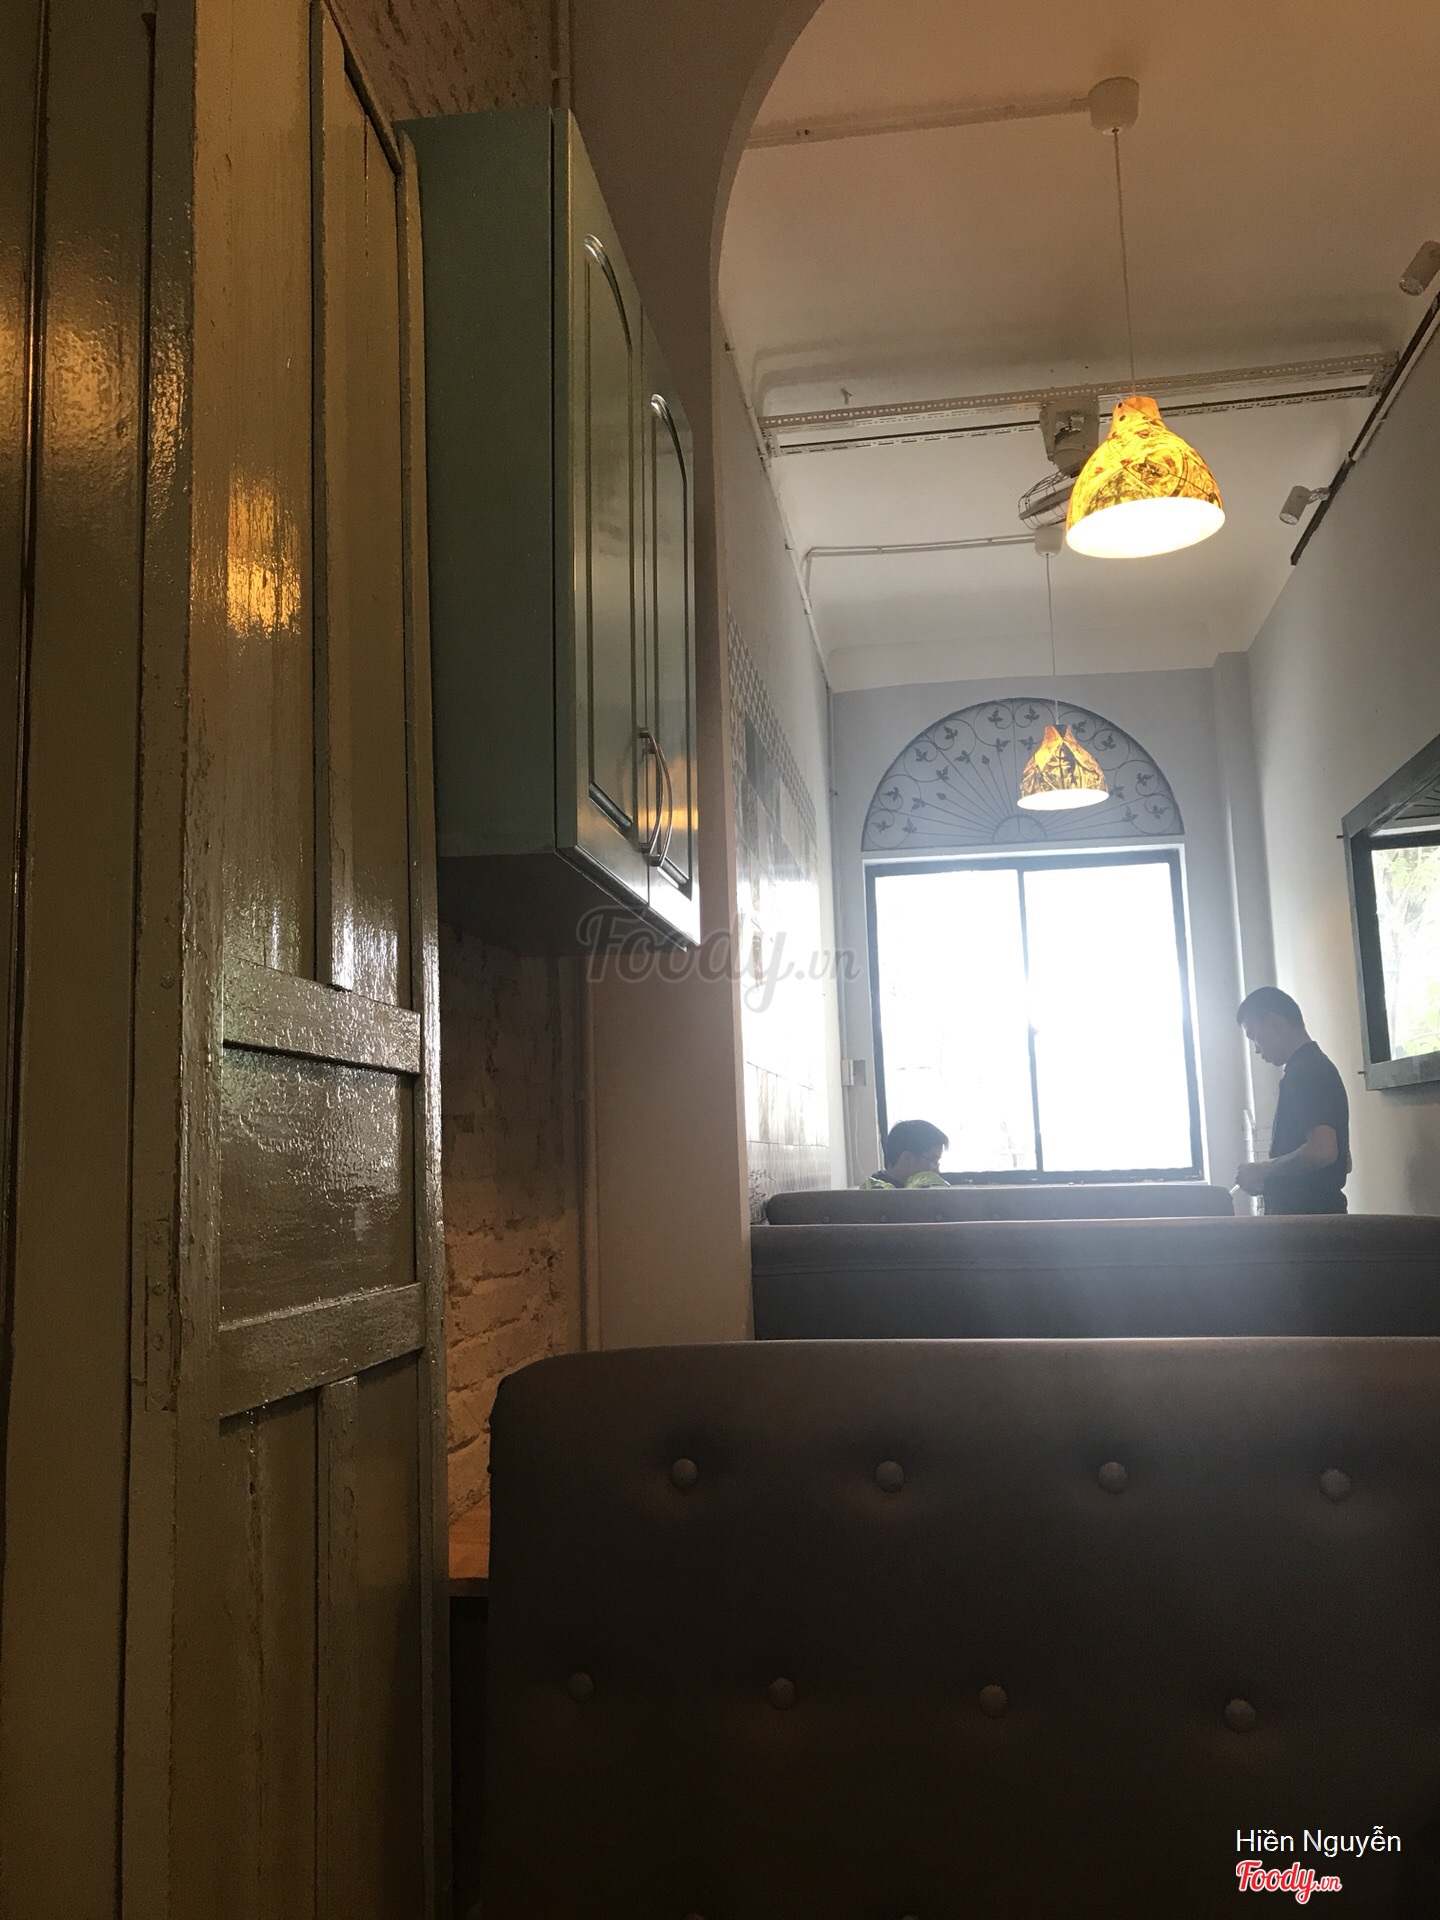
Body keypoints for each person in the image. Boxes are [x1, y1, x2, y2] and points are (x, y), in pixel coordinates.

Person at [1234, 987, 1350, 1214]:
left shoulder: (1305, 1072)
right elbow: (1344, 1161)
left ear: (1275, 1023)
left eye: (1255, 1037)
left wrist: (1263, 1170)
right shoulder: (1317, 1067)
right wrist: (1272, 1180)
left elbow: (1323, 1151)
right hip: (1318, 1217)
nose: (1256, 1049)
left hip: (1308, 1224)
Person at [863, 1118, 950, 1190]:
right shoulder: (876, 1197)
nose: (937, 1171)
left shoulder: (917, 1194)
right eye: (933, 1160)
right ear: (907, 1158)